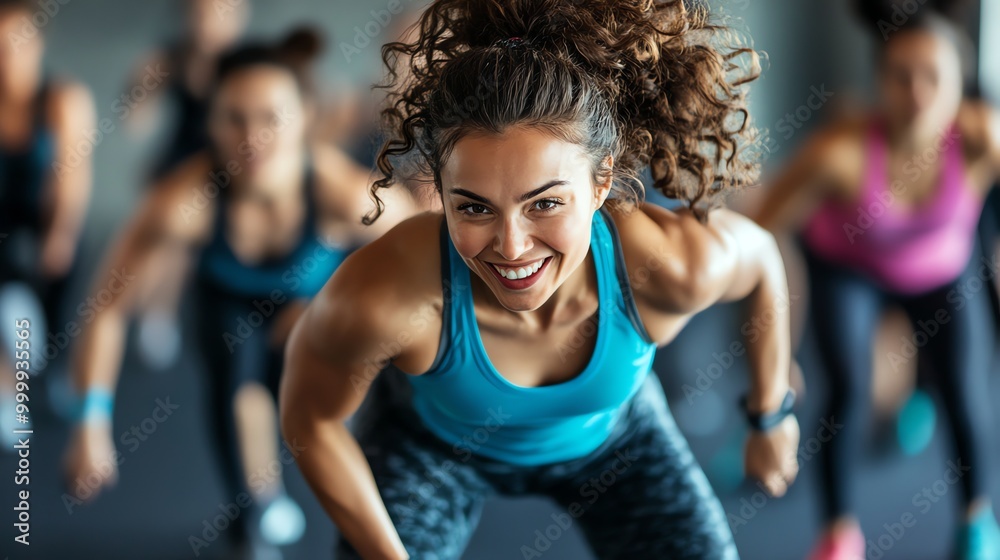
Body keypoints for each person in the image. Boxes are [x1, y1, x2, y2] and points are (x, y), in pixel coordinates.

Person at [279, 1, 800, 558]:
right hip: (432, 448)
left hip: (612, 440)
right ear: (440, 190)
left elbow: (764, 260)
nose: (511, 246)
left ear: (602, 183)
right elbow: (310, 419)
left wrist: (771, 415)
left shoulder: (668, 266)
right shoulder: (388, 296)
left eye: (545, 203)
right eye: (474, 208)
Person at [62, 28, 417, 558]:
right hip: (224, 302)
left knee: (292, 391)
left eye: (271, 118)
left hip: (312, 304)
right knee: (234, 382)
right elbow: (108, 308)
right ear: (211, 122)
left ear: (303, 120)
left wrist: (345, 309)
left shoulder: (342, 191)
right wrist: (90, 418)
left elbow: (426, 261)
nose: (252, 137)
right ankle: (251, 512)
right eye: (234, 118)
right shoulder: (185, 202)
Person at [752, 5, 1000, 559]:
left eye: (933, 77)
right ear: (879, 80)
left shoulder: (982, 138)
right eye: (901, 75)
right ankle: (838, 533)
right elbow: (755, 236)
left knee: (966, 388)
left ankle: (976, 524)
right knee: (848, 391)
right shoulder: (839, 152)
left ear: (960, 84)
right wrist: (775, 348)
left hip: (940, 268)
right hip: (849, 269)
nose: (917, 92)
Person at [0, 0, 94, 444]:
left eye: (16, 43)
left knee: (52, 324)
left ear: (38, 43)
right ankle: (6, 391)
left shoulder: (62, 100)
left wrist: (61, 236)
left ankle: (55, 372)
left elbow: (72, 177)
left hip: (44, 218)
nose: (6, 55)